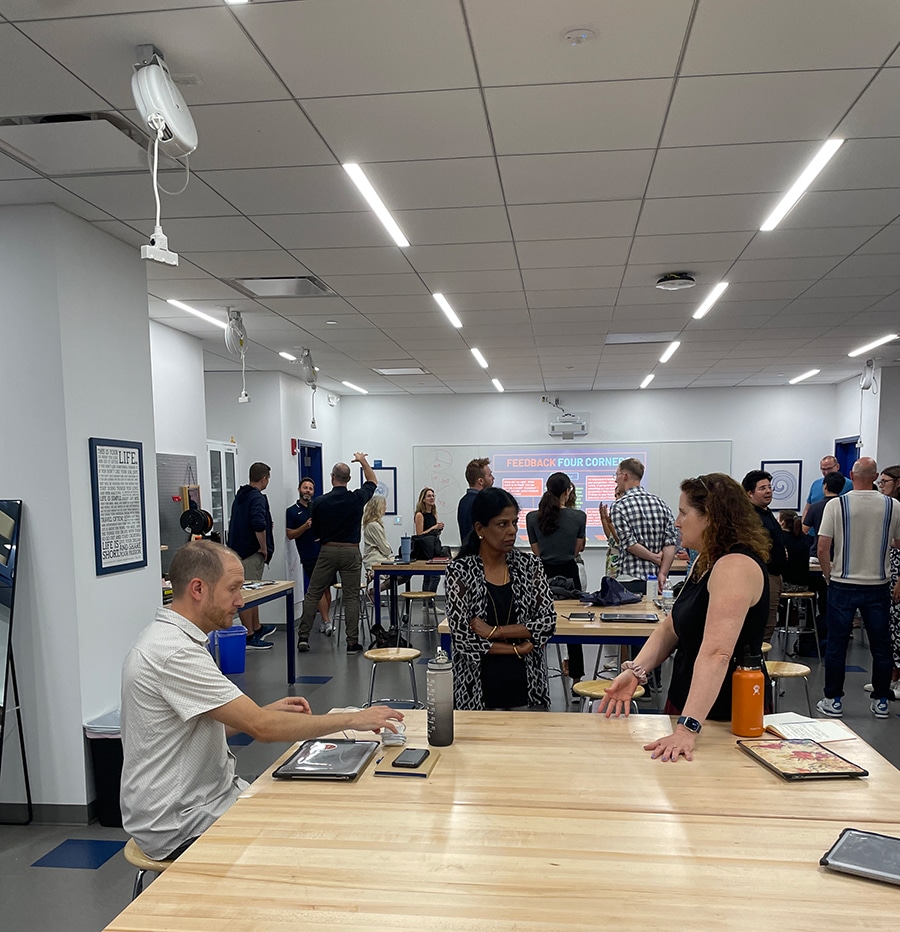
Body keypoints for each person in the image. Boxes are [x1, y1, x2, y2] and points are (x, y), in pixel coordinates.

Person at [120, 540, 403, 861]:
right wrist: (353, 720)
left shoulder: (177, 639)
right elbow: (262, 729)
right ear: (198, 588)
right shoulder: (173, 652)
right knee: (315, 839)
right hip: (182, 824)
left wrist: (257, 713)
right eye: (233, 589)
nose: (240, 601)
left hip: (205, 802)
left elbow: (191, 731)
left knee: (312, 809)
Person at [599, 474, 769, 762]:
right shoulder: (707, 561)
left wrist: (688, 729)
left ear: (711, 518)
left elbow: (717, 653)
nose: (678, 522)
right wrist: (636, 671)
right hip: (689, 704)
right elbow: (671, 627)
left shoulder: (735, 566)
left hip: (722, 716)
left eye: (683, 513)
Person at [446, 488, 556, 711]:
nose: (512, 531)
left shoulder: (530, 566)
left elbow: (547, 623)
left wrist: (494, 632)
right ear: (480, 529)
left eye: (514, 523)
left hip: (528, 688)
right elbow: (464, 640)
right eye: (502, 524)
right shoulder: (460, 572)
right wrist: (517, 649)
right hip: (476, 691)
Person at [817, 458, 900, 719]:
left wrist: (829, 575)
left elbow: (822, 547)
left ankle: (833, 700)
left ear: (851, 475)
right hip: (879, 584)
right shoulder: (892, 505)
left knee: (837, 645)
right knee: (881, 646)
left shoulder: (836, 505)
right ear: (875, 476)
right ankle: (881, 701)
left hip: (843, 583)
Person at [296, 454, 377, 654]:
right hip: (351, 551)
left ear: (332, 477)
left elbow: (315, 532)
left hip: (328, 551)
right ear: (348, 480)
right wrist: (362, 461)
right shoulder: (357, 498)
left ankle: (303, 638)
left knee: (313, 592)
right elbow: (372, 481)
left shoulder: (319, 502)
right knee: (350, 597)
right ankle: (352, 642)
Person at [526, 472, 586, 691]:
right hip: (570, 575)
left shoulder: (532, 517)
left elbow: (536, 551)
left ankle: (536, 678)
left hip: (542, 576)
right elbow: (577, 549)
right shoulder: (579, 516)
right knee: (575, 629)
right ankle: (577, 680)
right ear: (568, 491)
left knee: (537, 626)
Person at [226, 461, 276, 650]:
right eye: (268, 479)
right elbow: (258, 524)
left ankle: (256, 627)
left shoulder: (241, 495)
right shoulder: (257, 497)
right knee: (247, 595)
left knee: (253, 594)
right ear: (264, 478)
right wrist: (263, 547)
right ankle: (249, 635)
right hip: (250, 553)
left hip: (238, 551)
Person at [608, 458, 677, 594]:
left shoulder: (619, 506)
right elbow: (670, 543)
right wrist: (663, 573)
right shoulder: (661, 504)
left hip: (630, 580)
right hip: (658, 581)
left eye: (616, 475)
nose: (615, 480)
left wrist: (653, 557)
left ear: (625, 476)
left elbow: (629, 544)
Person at [741, 469, 787, 641]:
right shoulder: (751, 517)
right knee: (764, 626)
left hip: (773, 574)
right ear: (749, 493)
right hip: (764, 576)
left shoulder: (766, 512)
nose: (768, 491)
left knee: (768, 624)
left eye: (769, 487)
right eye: (762, 488)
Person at [286, 477, 332, 634]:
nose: (307, 491)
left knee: (326, 588)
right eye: (305, 487)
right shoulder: (292, 511)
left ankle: (326, 620)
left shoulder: (318, 507)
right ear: (299, 489)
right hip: (308, 555)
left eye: (310, 488)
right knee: (317, 588)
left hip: (325, 553)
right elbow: (290, 534)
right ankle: (326, 621)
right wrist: (304, 527)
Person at [778, 509, 828, 646]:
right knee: (819, 585)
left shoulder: (780, 539)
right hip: (804, 586)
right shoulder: (805, 539)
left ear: (782, 522)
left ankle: (780, 622)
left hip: (786, 586)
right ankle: (814, 623)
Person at [878, 465, 900, 698]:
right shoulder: (889, 507)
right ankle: (890, 678)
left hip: (898, 575)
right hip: (890, 571)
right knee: (891, 629)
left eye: (885, 482)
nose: (881, 486)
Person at [803, 471, 846, 555]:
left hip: (818, 552)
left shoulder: (815, 507)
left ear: (825, 486)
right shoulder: (846, 507)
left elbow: (804, 530)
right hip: (841, 552)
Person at [802, 455, 853, 523]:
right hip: (813, 531)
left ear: (837, 466)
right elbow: (808, 507)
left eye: (829, 468)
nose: (826, 472)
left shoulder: (849, 485)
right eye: (823, 469)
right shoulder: (815, 484)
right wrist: (803, 523)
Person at [414, 487, 444, 597]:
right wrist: (433, 528)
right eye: (429, 496)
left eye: (433, 495)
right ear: (423, 499)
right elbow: (419, 535)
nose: (432, 498)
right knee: (434, 576)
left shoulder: (434, 514)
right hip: (424, 549)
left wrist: (438, 529)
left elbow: (433, 533)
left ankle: (426, 605)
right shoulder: (419, 515)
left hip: (434, 547)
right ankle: (429, 603)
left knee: (428, 577)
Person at [457, 457, 494, 543]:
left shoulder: (463, 501)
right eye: (490, 475)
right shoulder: (482, 502)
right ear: (480, 481)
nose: (493, 478)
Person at [362, 495, 393, 590]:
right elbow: (385, 548)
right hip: (375, 560)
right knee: (402, 575)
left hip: (377, 558)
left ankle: (375, 591)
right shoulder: (374, 526)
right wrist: (389, 550)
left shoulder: (373, 525)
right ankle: (375, 591)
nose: (385, 508)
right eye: (384, 505)